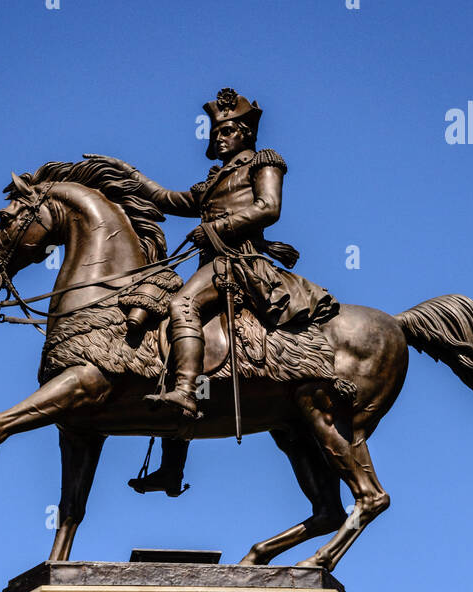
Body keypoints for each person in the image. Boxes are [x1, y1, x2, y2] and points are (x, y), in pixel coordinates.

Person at [93, 86, 337, 491]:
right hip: (214, 263)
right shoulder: (214, 179)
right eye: (216, 131)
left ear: (245, 132)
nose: (218, 137)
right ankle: (172, 465)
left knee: (182, 303)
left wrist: (216, 228)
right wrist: (129, 177)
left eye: (226, 130)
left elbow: (268, 209)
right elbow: (169, 198)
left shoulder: (264, 162)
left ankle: (186, 393)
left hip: (240, 263)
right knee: (161, 334)